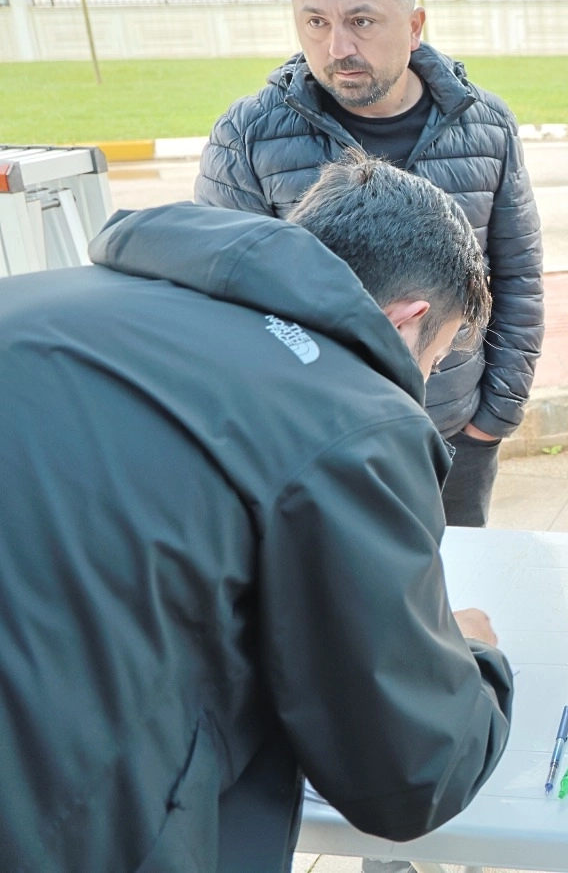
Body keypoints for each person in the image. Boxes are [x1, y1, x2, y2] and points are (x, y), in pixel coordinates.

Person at [0, 156, 513, 873]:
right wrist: (476, 661)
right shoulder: (353, 417)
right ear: (409, 318)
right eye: (433, 362)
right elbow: (413, 774)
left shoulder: (46, 298)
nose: (418, 386)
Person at [195, 0, 543, 529]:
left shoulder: (487, 126)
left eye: (361, 21)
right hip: (314, 449)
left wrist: (493, 420)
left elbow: (518, 276)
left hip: (454, 437)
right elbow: (223, 310)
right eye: (315, 22)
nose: (337, 47)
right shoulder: (246, 138)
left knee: (456, 579)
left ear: (413, 26)